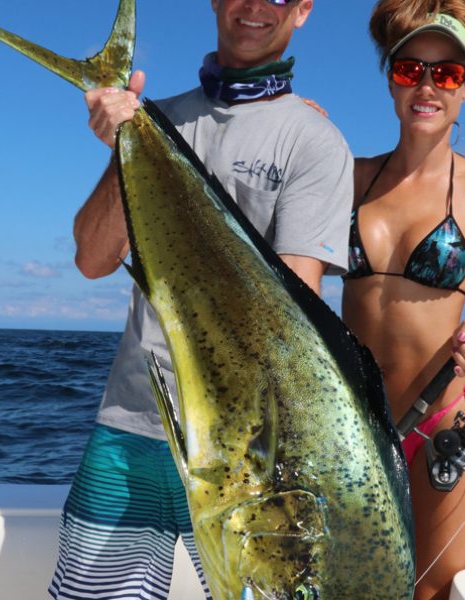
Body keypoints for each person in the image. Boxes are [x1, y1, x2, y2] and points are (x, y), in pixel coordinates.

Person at [49, 1, 353, 598]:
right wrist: (128, 144)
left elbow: (293, 316)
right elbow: (91, 260)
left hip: (247, 460)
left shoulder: (315, 140)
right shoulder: (155, 121)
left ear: (304, 11)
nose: (257, 6)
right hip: (132, 424)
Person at [342, 1, 465, 599]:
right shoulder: (346, 176)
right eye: (410, 69)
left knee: (425, 593)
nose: (427, 85)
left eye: (446, 74)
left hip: (448, 425)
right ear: (391, 78)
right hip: (355, 429)